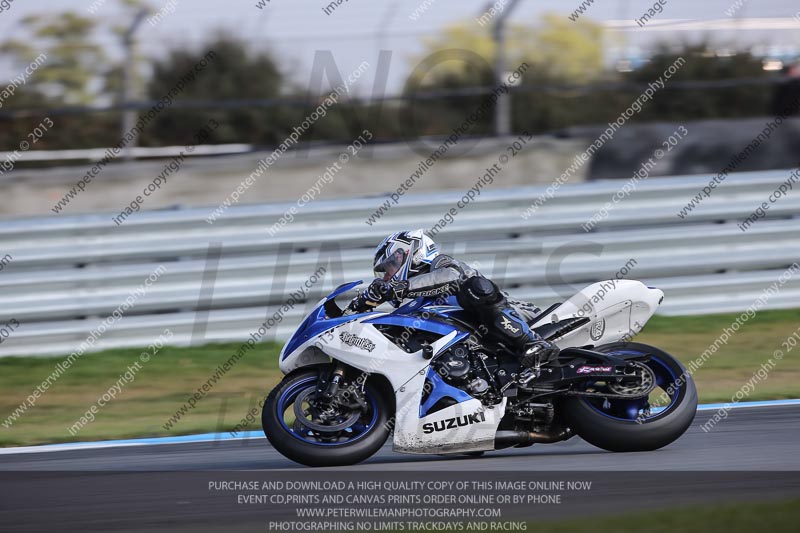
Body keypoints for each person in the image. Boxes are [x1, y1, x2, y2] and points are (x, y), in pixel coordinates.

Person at [348, 229, 559, 371]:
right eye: (384, 274)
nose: (388, 276)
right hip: (486, 351)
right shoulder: (415, 301)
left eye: (390, 267)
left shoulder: (440, 264)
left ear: (410, 253)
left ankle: (532, 342)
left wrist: (399, 287)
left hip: (528, 318)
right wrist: (361, 306)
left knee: (474, 287)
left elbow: (452, 277)